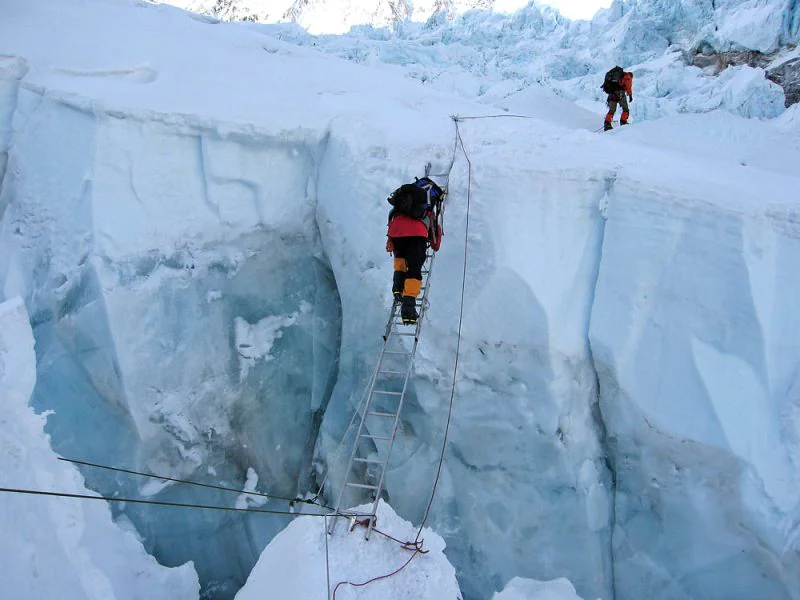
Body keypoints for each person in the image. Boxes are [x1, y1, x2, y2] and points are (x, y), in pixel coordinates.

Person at [385, 178, 443, 325]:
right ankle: (408, 309)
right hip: (416, 234)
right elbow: (435, 237)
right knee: (414, 270)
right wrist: (434, 245)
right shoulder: (425, 210)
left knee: (401, 259)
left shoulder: (401, 205)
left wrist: (390, 238)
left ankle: (398, 289)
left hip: (396, 231)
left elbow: (392, 218)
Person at [602, 66, 633, 131]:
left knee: (612, 110)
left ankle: (607, 124)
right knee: (625, 109)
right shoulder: (628, 77)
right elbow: (628, 86)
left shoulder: (616, 76)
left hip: (612, 94)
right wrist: (630, 95)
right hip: (620, 93)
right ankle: (623, 121)